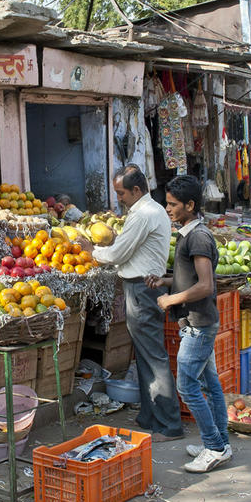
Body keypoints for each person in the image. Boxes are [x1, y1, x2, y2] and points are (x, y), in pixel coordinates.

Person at [80, 164, 184, 441]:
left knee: (153, 356)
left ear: (137, 190)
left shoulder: (145, 214)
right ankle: (151, 418)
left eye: (121, 193)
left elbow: (118, 253)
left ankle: (170, 425)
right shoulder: (149, 211)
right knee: (146, 355)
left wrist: (92, 251)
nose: (119, 199)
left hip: (142, 288)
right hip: (141, 286)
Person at [145, 176, 232, 472]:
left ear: (190, 205)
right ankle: (221, 442)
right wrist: (166, 281)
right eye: (167, 203)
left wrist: (171, 299)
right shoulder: (188, 234)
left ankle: (214, 446)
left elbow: (206, 285)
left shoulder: (198, 237)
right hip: (198, 320)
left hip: (198, 323)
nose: (167, 208)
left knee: (187, 386)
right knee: (210, 384)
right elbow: (191, 279)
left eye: (172, 204)